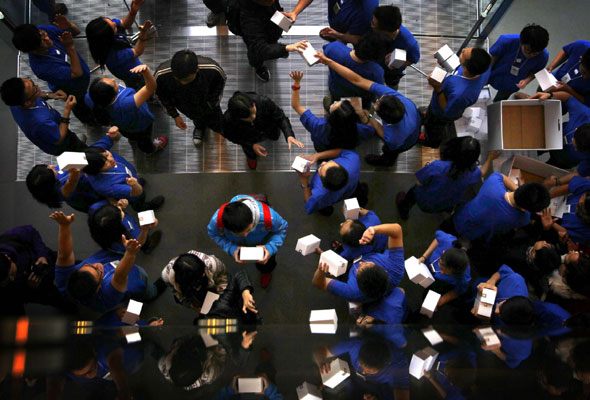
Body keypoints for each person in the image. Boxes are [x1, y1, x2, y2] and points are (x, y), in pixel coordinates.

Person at [316, 51, 421, 166]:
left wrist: (367, 117)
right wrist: (329, 62)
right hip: (415, 122)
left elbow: (382, 133)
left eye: (377, 104)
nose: (377, 100)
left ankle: (385, 162)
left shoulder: (393, 137)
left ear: (384, 119)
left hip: (405, 142)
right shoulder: (395, 98)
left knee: (390, 152)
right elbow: (357, 80)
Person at [51, 211, 166, 312]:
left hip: (118, 279)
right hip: (134, 279)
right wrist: (130, 253)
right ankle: (152, 294)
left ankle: (131, 310)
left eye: (89, 265)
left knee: (128, 305)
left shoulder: (64, 282)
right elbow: (120, 276)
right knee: (143, 293)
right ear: (98, 288)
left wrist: (64, 225)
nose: (98, 264)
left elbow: (63, 256)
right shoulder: (108, 295)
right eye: (98, 270)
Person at [11, 20, 95, 124]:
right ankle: (92, 123)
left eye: (43, 35)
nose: (47, 38)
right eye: (42, 41)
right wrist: (70, 48)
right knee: (82, 108)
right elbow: (76, 73)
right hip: (74, 90)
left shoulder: (43, 31)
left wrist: (70, 26)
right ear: (33, 50)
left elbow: (76, 32)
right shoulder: (41, 67)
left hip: (82, 75)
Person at [396, 138, 499, 219]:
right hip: (444, 203)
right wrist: (490, 158)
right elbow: (482, 172)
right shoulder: (472, 173)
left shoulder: (438, 166)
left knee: (411, 195)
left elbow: (419, 182)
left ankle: (404, 210)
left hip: (423, 198)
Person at [207, 195, 288, 288]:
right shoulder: (216, 221)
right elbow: (213, 234)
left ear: (253, 220)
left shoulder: (271, 218)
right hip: (239, 244)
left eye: (249, 230)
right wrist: (232, 249)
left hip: (263, 243)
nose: (245, 235)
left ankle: (266, 272)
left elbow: (282, 229)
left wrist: (270, 248)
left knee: (267, 264)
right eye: (239, 233)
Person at [312, 222, 405, 304]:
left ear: (358, 283)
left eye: (359, 271)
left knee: (340, 263)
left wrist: (321, 272)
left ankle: (331, 253)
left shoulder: (352, 292)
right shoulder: (396, 269)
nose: (360, 263)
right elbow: (397, 230)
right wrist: (373, 230)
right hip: (367, 254)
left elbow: (319, 283)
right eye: (368, 264)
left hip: (347, 271)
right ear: (383, 270)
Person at [86, 64, 167, 154]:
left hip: (124, 127)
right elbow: (151, 87)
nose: (113, 79)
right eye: (113, 84)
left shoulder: (93, 98)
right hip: (141, 125)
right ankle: (151, 150)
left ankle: (133, 139)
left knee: (132, 136)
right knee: (144, 141)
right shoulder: (125, 103)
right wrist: (146, 71)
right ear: (111, 96)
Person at [451, 173, 550, 243]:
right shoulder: (523, 219)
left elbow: (501, 176)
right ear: (526, 209)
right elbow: (526, 216)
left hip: (459, 216)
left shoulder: (493, 184)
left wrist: (520, 189)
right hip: (473, 237)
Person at [82, 128, 165, 212]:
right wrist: (135, 185)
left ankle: (138, 182)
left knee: (137, 181)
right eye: (105, 163)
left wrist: (115, 133)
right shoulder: (106, 186)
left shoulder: (96, 152)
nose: (110, 159)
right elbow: (137, 193)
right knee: (139, 201)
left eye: (107, 155)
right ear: (96, 169)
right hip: (133, 193)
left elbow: (114, 138)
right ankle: (145, 208)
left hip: (130, 177)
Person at [155, 49, 227, 146]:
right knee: (196, 117)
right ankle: (200, 127)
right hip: (183, 103)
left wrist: (212, 103)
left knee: (216, 118)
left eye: (186, 79)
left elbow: (219, 84)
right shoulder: (161, 75)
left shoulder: (212, 69)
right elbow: (161, 96)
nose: (182, 83)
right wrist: (175, 115)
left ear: (197, 69)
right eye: (178, 79)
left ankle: (220, 130)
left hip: (208, 101)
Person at [423, 47, 492, 148]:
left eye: (463, 54)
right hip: (443, 103)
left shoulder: (461, 94)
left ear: (466, 68)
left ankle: (432, 141)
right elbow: (458, 71)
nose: (463, 49)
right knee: (429, 115)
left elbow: (447, 111)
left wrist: (438, 88)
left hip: (440, 113)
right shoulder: (484, 68)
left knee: (434, 126)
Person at [0, 225, 76, 315]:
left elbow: (31, 231)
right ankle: (71, 307)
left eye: (12, 274)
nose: (12, 279)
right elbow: (14, 301)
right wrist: (29, 288)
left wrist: (42, 255)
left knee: (74, 267)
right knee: (59, 300)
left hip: (47, 260)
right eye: (7, 281)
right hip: (36, 289)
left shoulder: (9, 239)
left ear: (8, 258)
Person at [290, 71, 373, 152]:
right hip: (346, 147)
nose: (335, 102)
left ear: (331, 117)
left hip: (322, 148)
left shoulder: (318, 125)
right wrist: (363, 116)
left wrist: (296, 82)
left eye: (335, 104)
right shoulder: (358, 129)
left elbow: (296, 106)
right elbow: (371, 130)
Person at [1, 77, 86, 155]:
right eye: (34, 88)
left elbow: (36, 96)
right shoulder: (40, 122)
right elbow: (59, 139)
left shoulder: (16, 102)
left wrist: (50, 95)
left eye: (31, 81)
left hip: (52, 128)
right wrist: (67, 110)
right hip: (61, 143)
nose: (37, 85)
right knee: (78, 151)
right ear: (27, 103)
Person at [222, 91, 303, 169]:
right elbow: (232, 136)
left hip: (268, 127)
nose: (253, 117)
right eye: (249, 117)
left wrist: (289, 135)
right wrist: (251, 145)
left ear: (253, 104)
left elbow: (280, 117)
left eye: (254, 112)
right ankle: (252, 157)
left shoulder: (264, 102)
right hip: (247, 137)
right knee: (249, 150)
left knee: (274, 135)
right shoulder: (228, 120)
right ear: (238, 118)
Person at [85, 0, 151, 91]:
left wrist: (133, 12)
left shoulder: (107, 27)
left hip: (129, 65)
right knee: (146, 89)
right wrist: (143, 33)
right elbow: (137, 51)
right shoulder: (115, 55)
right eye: (114, 27)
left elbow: (124, 23)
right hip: (135, 76)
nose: (115, 23)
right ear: (108, 37)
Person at [236, 0, 309, 82]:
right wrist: (286, 48)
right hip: (256, 30)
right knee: (255, 53)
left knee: (274, 36)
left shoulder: (270, 3)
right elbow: (259, 48)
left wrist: (295, 12)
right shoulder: (247, 19)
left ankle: (275, 47)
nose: (273, 0)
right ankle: (258, 66)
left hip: (273, 15)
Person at [323, 31, 390, 105]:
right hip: (361, 98)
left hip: (336, 88)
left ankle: (331, 106)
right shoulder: (376, 71)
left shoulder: (334, 48)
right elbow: (377, 90)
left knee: (335, 103)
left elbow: (325, 52)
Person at [488, 24, 550, 101]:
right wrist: (485, 74)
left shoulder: (543, 56)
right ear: (521, 42)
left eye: (535, 53)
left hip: (512, 83)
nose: (530, 55)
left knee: (501, 99)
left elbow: (536, 72)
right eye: (527, 50)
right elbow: (493, 57)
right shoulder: (506, 41)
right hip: (494, 74)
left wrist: (526, 81)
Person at [531, 91, 590, 171]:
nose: (575, 149)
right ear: (576, 129)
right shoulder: (584, 114)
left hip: (565, 159)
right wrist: (550, 95)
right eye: (575, 143)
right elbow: (568, 97)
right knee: (533, 147)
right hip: (552, 135)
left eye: (578, 150)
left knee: (545, 169)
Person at [296, 149, 364, 216]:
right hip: (351, 189)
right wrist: (317, 155)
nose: (323, 163)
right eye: (329, 162)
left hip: (327, 199)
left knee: (323, 208)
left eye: (321, 168)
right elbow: (342, 151)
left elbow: (309, 206)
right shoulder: (353, 159)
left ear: (323, 183)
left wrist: (304, 179)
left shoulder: (319, 194)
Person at [283, 0, 379, 44]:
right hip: (338, 25)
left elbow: (358, 38)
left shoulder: (367, 11)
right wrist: (295, 12)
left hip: (355, 36)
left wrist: (337, 38)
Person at [161, 250, 229, 312]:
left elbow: (223, 276)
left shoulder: (213, 264)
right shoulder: (166, 276)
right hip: (189, 291)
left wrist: (223, 292)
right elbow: (178, 295)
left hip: (210, 283)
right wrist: (194, 307)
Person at [88, 199, 162, 255]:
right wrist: (145, 229)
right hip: (136, 237)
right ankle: (147, 247)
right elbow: (138, 243)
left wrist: (117, 203)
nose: (120, 209)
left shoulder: (95, 208)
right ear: (117, 226)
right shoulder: (128, 235)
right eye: (120, 212)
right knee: (145, 243)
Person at [418, 231, 472, 309]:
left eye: (447, 273)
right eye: (441, 267)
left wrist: (442, 301)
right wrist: (424, 257)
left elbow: (459, 290)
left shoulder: (464, 276)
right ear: (443, 252)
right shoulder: (447, 240)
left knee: (427, 300)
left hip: (440, 284)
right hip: (428, 268)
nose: (442, 273)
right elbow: (437, 238)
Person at [372, 5, 420, 90]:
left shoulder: (409, 44)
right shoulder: (376, 30)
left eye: (373, 24)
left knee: (392, 88)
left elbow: (413, 60)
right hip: (374, 66)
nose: (371, 25)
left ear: (384, 31)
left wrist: (396, 62)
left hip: (392, 73)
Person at [26, 163, 103, 213]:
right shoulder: (63, 191)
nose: (52, 166)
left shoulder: (52, 176)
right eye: (51, 169)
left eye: (48, 166)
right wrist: (75, 173)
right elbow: (72, 182)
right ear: (51, 181)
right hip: (92, 194)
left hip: (88, 180)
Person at [544, 174, 590, 248]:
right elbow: (568, 188)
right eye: (582, 197)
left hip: (557, 222)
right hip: (560, 199)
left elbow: (566, 234)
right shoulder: (588, 185)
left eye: (581, 205)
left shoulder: (587, 233)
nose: (578, 202)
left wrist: (552, 223)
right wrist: (546, 197)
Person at [547, 42, 590, 106]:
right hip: (553, 80)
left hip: (566, 100)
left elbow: (586, 102)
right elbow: (565, 51)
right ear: (580, 59)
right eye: (584, 72)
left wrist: (568, 90)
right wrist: (552, 66)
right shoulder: (582, 46)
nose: (586, 77)